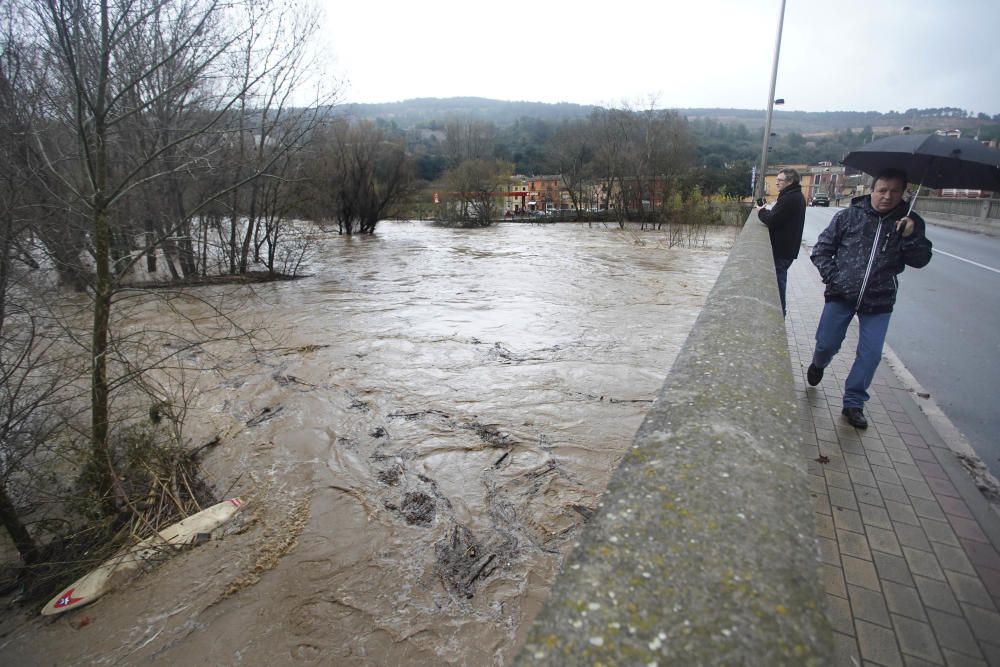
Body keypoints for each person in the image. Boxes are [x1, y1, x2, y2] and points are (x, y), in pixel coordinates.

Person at [807, 168, 933, 429]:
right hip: (841, 294)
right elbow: (821, 250)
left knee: (871, 354)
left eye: (894, 191)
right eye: (882, 190)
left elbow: (921, 260)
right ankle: (819, 363)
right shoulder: (848, 217)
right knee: (826, 344)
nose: (887, 196)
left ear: (903, 193)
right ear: (872, 190)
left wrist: (909, 237)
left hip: (880, 300)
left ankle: (853, 402)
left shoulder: (909, 222)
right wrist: (835, 278)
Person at [756, 168, 806, 316]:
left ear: (790, 182)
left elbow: (773, 220)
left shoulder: (790, 198)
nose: (776, 182)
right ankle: (778, 313)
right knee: (778, 283)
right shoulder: (793, 196)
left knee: (778, 285)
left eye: (780, 180)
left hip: (782, 250)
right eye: (777, 180)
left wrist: (761, 211)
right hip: (786, 249)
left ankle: (779, 315)